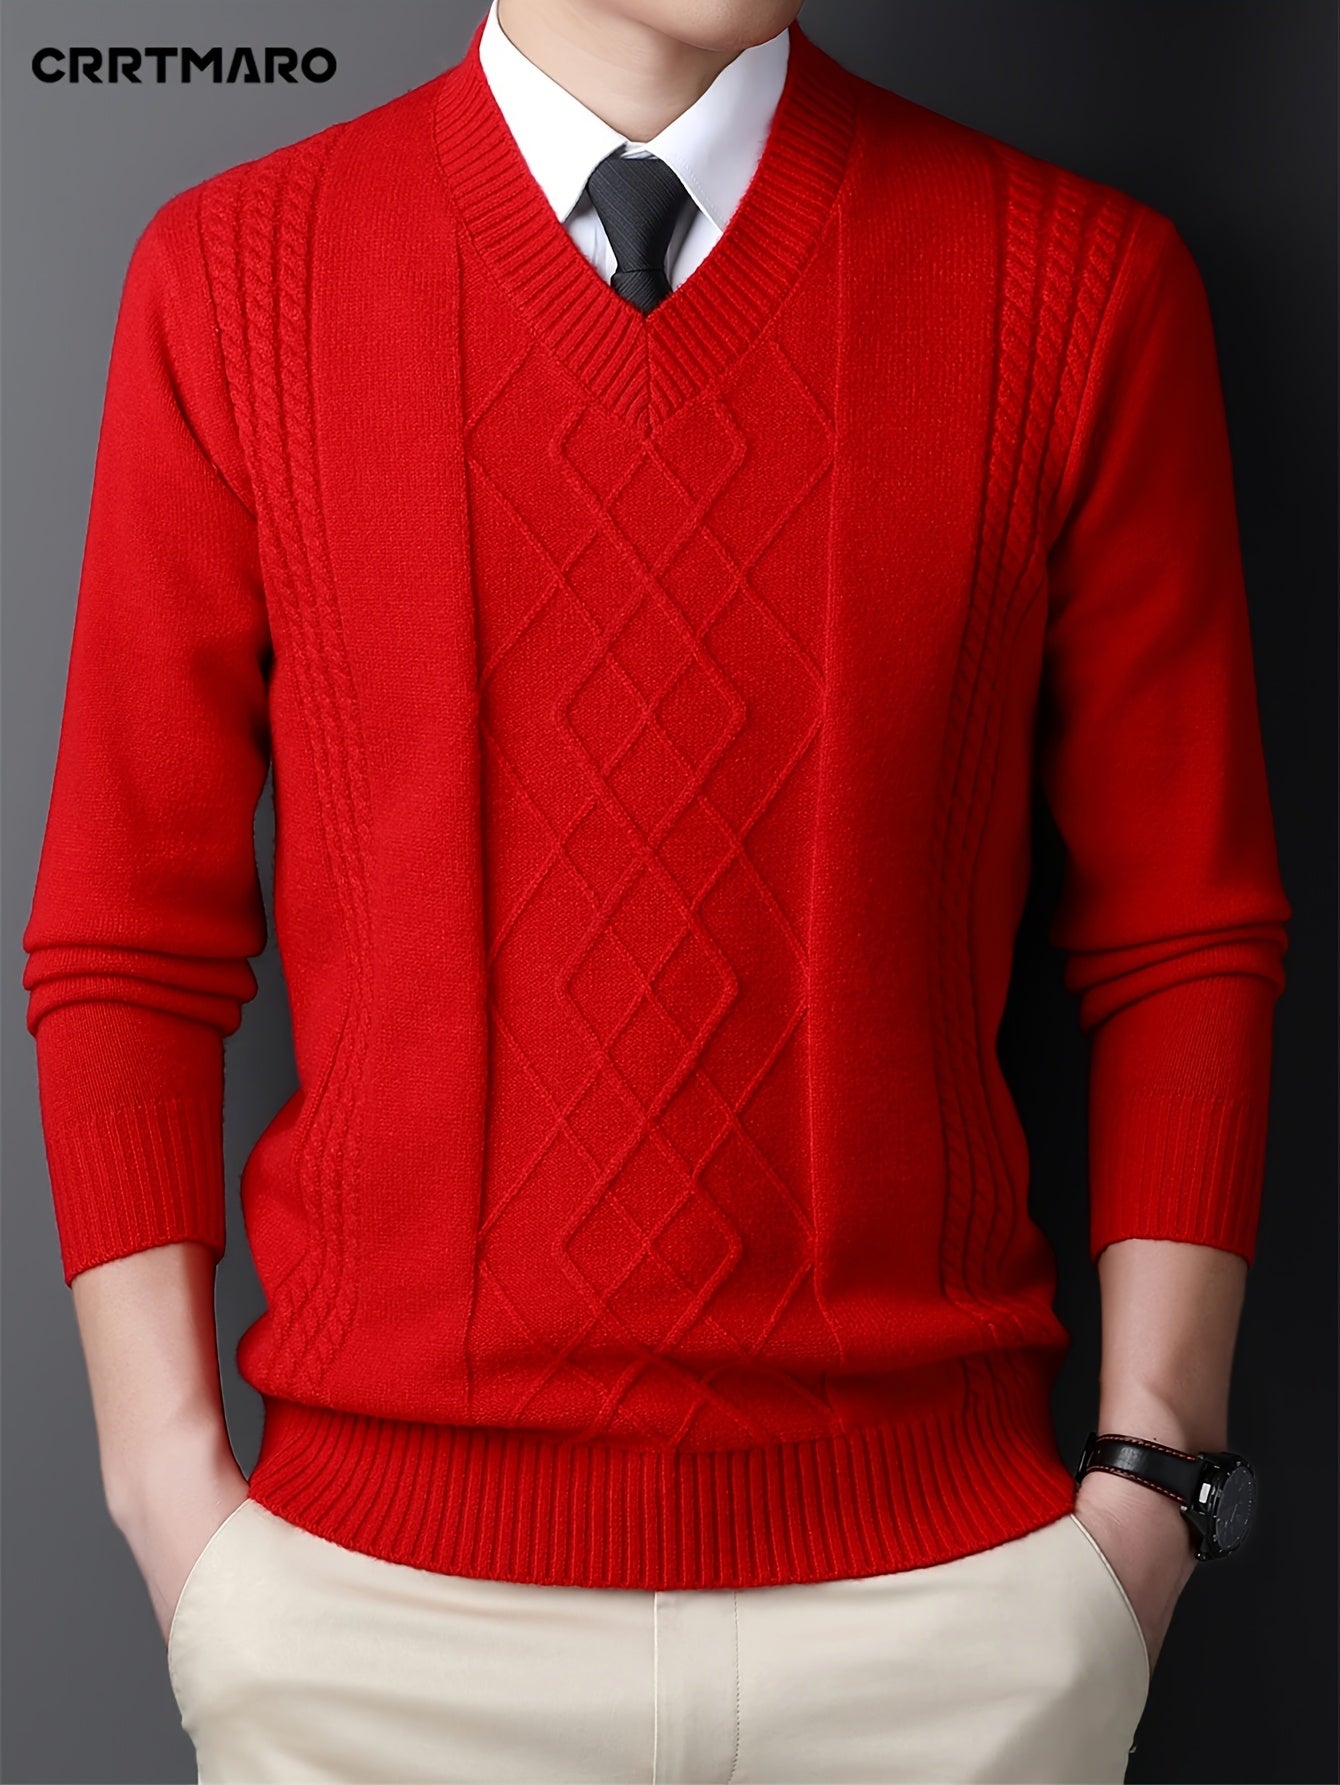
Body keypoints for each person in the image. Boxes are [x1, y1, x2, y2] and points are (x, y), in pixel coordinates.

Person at [21, 1, 1291, 1780]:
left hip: (947, 1634)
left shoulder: (1077, 285)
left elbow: (1182, 932)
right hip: (369, 1637)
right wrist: (171, 1500)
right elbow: (131, 937)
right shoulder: (237, 280)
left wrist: (1150, 1489)